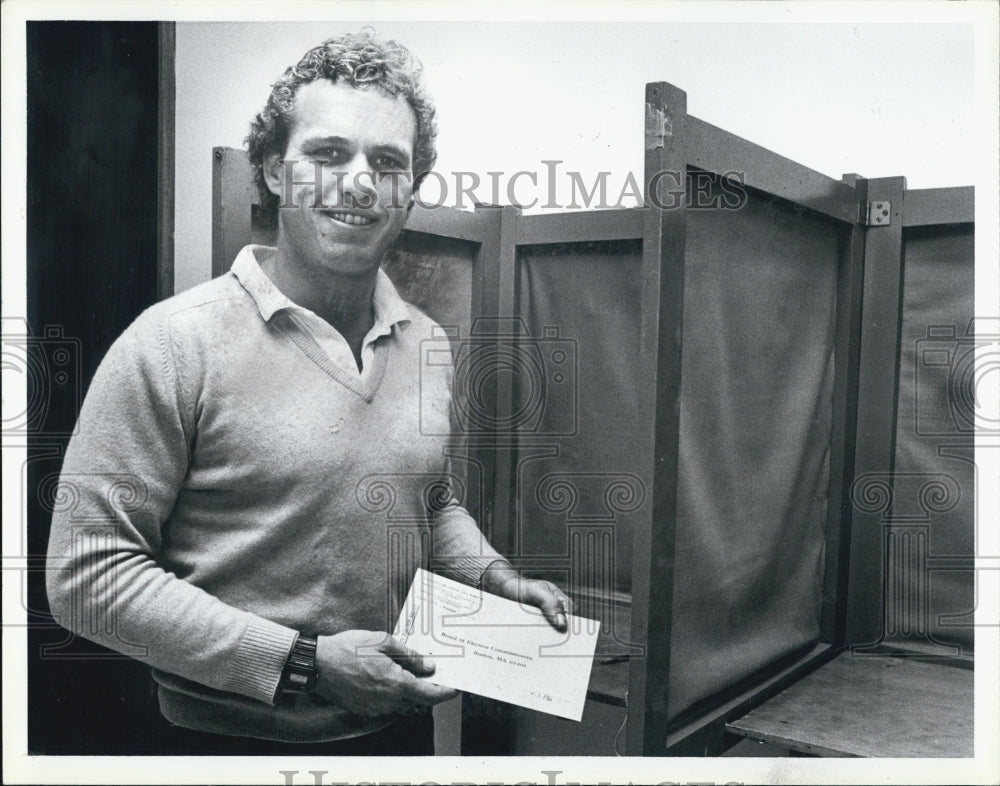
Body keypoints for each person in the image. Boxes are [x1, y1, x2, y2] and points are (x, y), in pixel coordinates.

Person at [45, 29, 571, 756]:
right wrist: (306, 665)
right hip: (224, 745)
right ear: (271, 171)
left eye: (388, 162)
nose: (359, 181)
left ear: (410, 191)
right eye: (328, 154)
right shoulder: (170, 344)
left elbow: (429, 496)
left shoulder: (426, 343)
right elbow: (86, 579)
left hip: (396, 731)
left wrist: (495, 577)